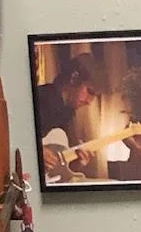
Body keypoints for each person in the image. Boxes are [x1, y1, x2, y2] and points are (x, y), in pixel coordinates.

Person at [34, 54, 99, 182]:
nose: (90, 101)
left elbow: (62, 166)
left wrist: (79, 161)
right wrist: (36, 150)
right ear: (74, 78)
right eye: (89, 91)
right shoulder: (38, 97)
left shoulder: (68, 113)